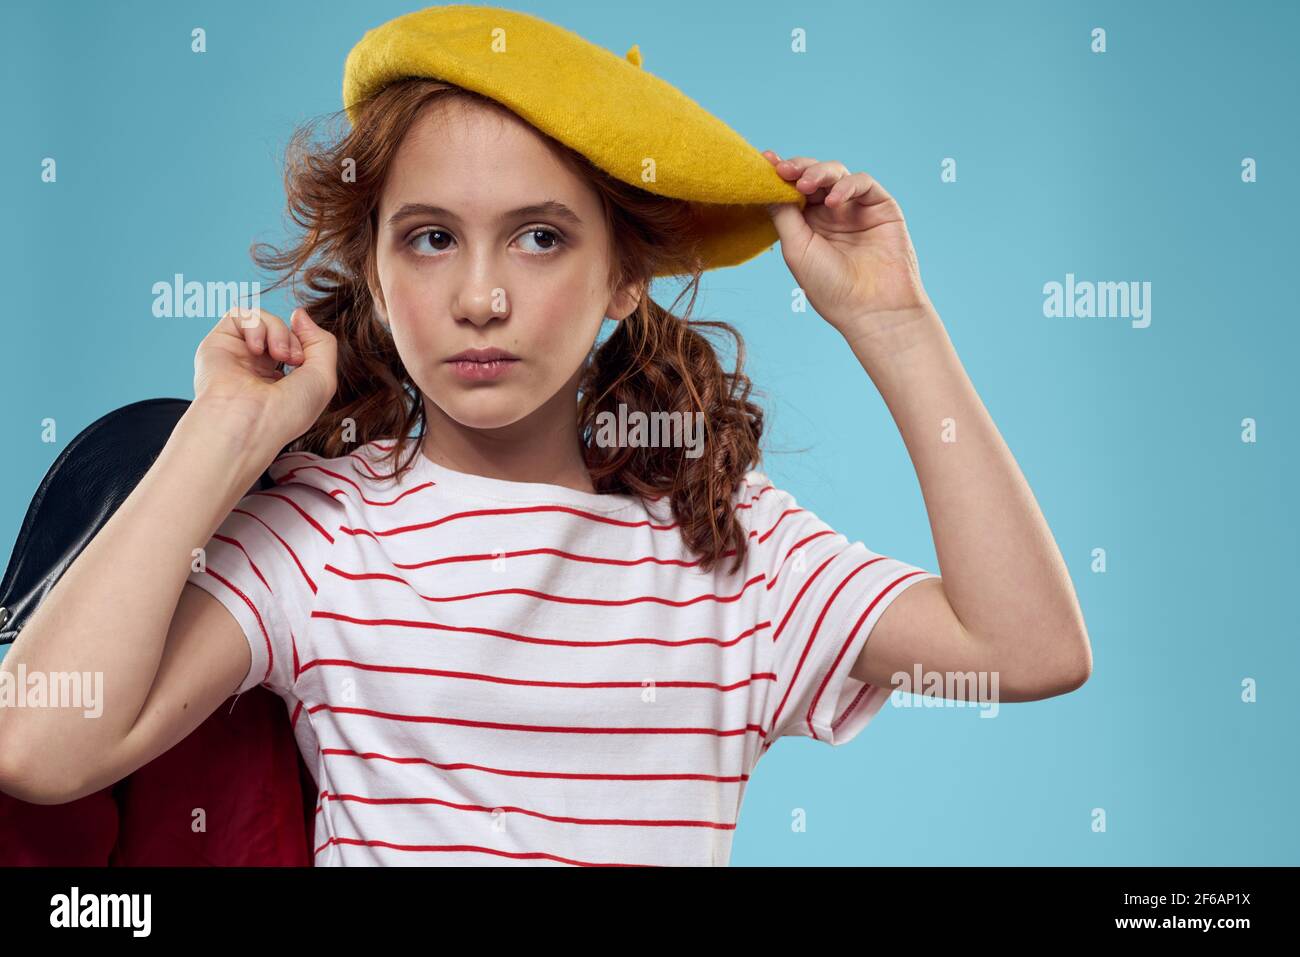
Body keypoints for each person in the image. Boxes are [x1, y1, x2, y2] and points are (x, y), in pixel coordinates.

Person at [0, 7, 1091, 867]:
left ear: (623, 274)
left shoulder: (731, 550)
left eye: (538, 237)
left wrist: (892, 324)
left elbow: (1026, 652)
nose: (480, 297)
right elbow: (41, 750)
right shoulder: (326, 537)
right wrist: (220, 437)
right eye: (430, 239)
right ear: (375, 274)